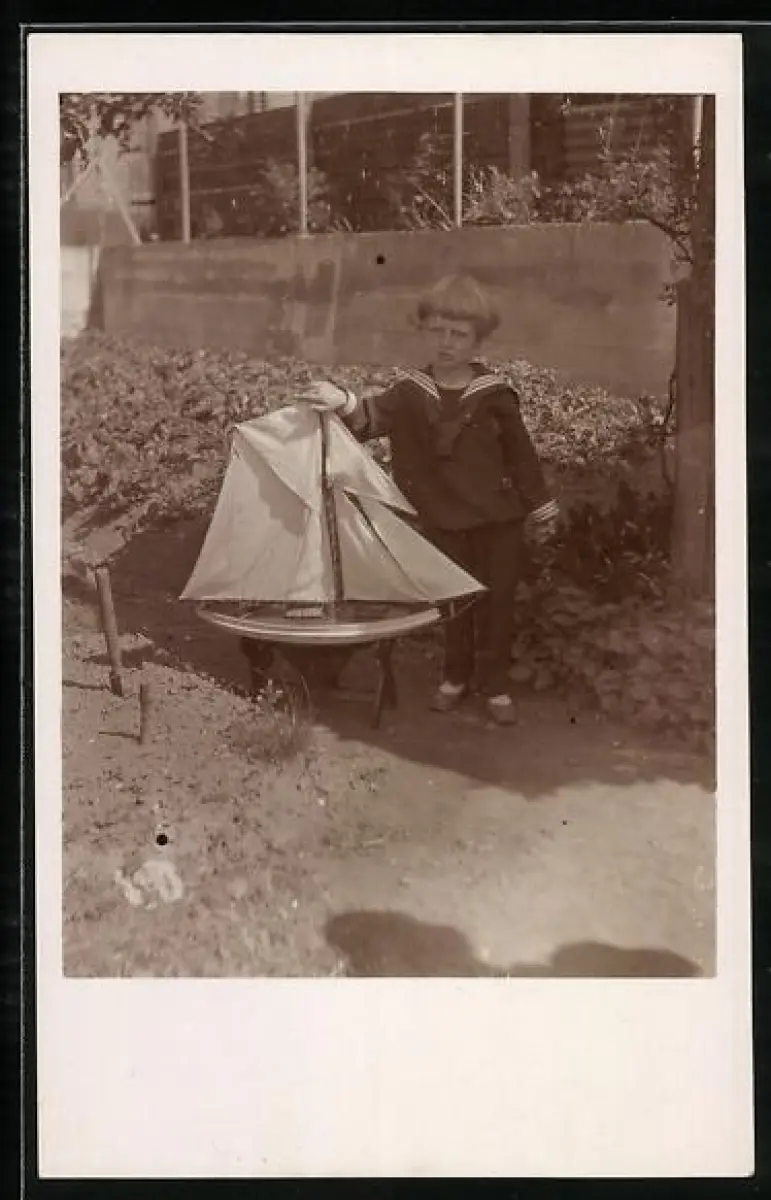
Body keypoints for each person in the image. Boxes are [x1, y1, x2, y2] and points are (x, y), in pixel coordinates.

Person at [299, 272, 559, 725]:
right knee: (453, 601)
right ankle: (454, 677)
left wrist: (540, 506)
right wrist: (340, 398)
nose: (446, 343)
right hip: (444, 519)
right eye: (437, 331)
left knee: (498, 604)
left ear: (478, 340)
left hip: (498, 521)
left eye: (458, 334)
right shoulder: (411, 392)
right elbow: (370, 417)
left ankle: (495, 685)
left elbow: (522, 457)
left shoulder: (494, 396)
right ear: (423, 331)